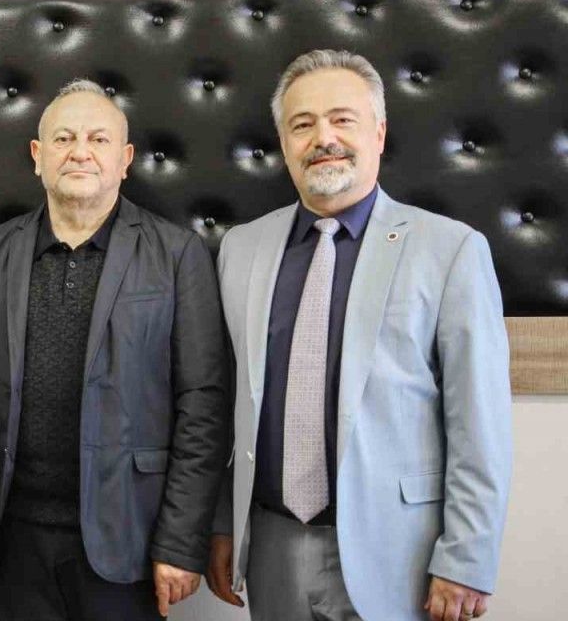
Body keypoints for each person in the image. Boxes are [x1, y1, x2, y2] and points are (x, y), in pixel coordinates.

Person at [206, 49, 512, 621]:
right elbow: (227, 407)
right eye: (303, 124)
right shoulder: (241, 250)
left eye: (342, 119)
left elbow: (480, 423)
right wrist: (223, 522)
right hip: (271, 546)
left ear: (379, 132)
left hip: (401, 554)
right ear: (284, 144)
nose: (324, 138)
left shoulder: (451, 250)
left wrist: (467, 556)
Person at [0, 79, 231, 620]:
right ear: (37, 155)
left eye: (98, 139)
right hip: (11, 543)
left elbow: (203, 407)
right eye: (64, 138)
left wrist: (182, 540)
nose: (80, 152)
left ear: (125, 159)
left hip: (131, 542)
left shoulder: (177, 254)